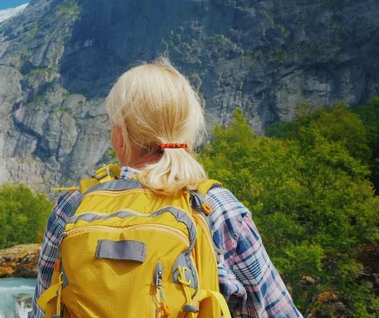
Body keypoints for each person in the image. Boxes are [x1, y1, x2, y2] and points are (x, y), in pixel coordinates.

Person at [28, 57, 303, 318]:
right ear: (186, 129)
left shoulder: (73, 205)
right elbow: (278, 311)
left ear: (121, 135)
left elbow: (43, 308)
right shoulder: (216, 207)